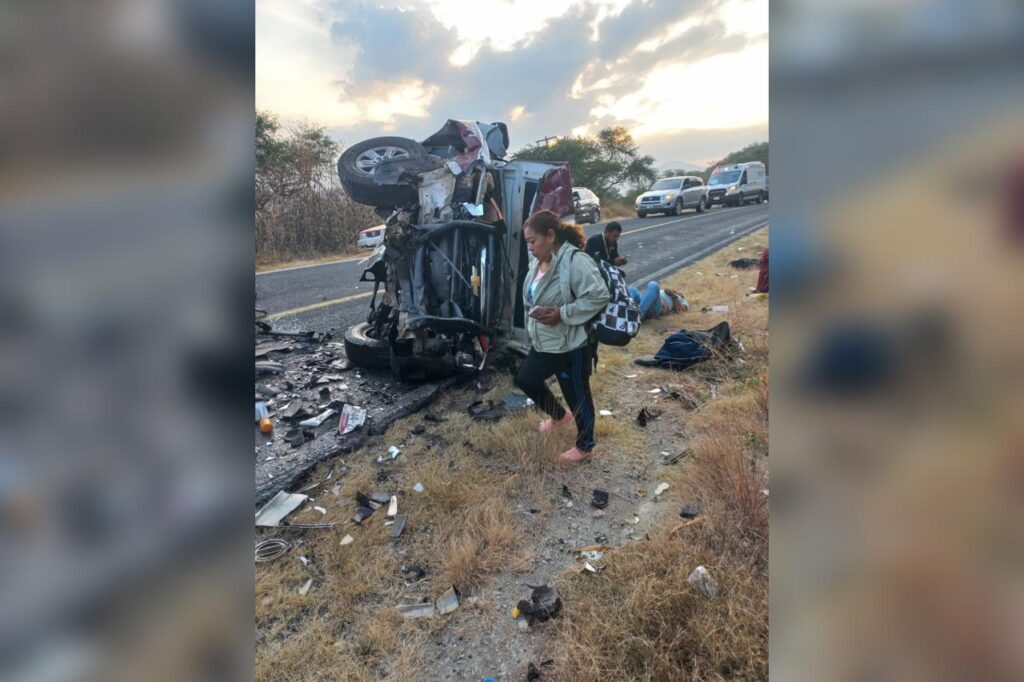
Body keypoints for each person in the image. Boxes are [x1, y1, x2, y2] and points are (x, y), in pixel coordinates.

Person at [514, 210, 611, 462]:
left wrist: (563, 313)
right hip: (545, 341)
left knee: (577, 394)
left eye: (532, 241)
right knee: (526, 379)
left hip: (573, 344)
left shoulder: (575, 261)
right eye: (527, 242)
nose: (530, 248)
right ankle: (559, 416)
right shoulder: (537, 263)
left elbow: (599, 295)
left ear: (550, 235)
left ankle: (585, 446)